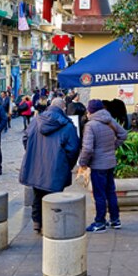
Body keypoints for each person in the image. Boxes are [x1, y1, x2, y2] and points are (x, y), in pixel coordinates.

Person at [19, 97, 80, 234]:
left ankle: (37, 221)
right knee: (54, 196)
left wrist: (33, 153)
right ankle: (51, 224)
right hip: (56, 167)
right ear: (64, 108)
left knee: (37, 193)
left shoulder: (36, 121)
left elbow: (25, 138)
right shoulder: (67, 126)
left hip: (36, 166)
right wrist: (67, 165)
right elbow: (73, 149)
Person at [77, 99, 127, 233]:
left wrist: (82, 163)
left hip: (98, 164)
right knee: (111, 192)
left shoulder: (90, 125)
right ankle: (115, 220)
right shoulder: (110, 120)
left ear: (90, 111)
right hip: (110, 162)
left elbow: (87, 149)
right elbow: (123, 134)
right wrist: (112, 147)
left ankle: (100, 222)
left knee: (99, 194)